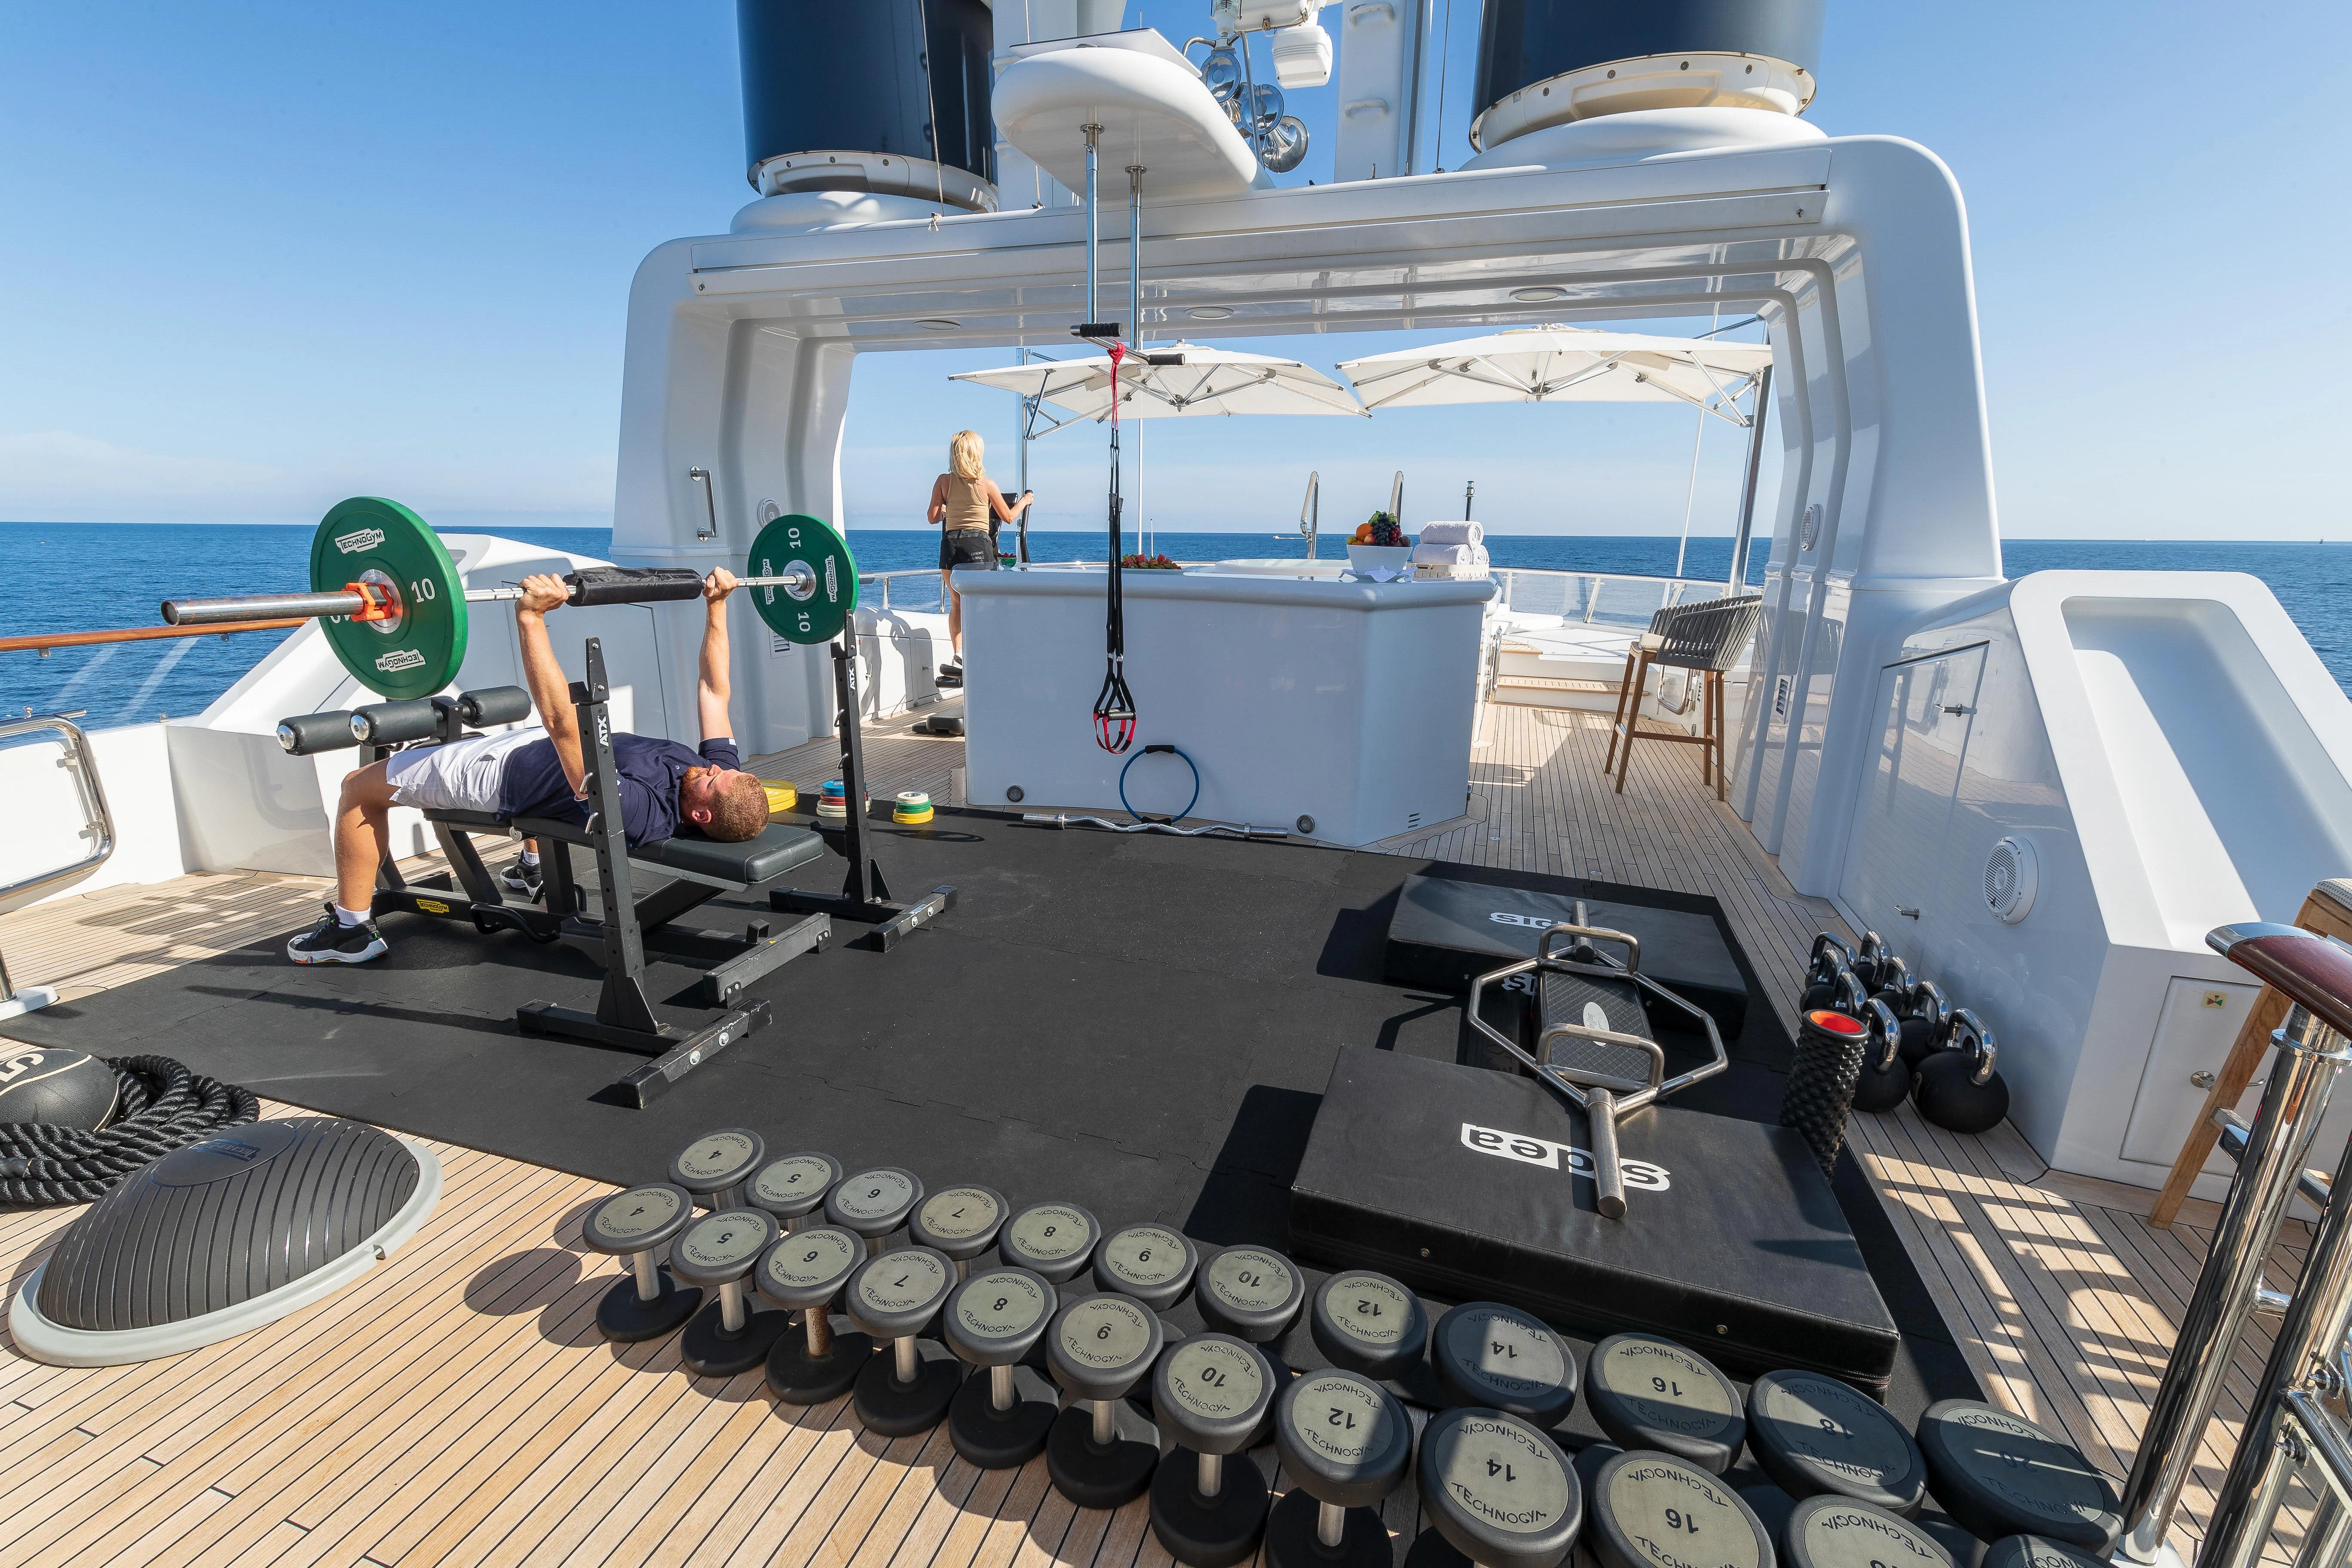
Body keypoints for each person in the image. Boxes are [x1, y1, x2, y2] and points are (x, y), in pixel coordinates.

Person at [287, 566, 772, 963]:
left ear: (701, 815)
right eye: (720, 767)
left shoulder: (645, 811)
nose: (709, 767)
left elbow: (564, 723)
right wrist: (717, 606)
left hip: (498, 775)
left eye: (714, 778)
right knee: (565, 769)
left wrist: (531, 619)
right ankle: (528, 867)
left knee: (358, 787)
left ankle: (351, 931)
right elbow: (714, 690)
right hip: (539, 752)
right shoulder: (706, 777)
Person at [926, 429, 1032, 677]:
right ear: (978, 453)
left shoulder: (944, 481)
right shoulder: (986, 484)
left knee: (957, 603)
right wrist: (1025, 501)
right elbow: (1008, 517)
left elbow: (932, 518)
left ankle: (959, 654)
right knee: (982, 602)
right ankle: (983, 650)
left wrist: (948, 507)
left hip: (951, 544)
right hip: (978, 545)